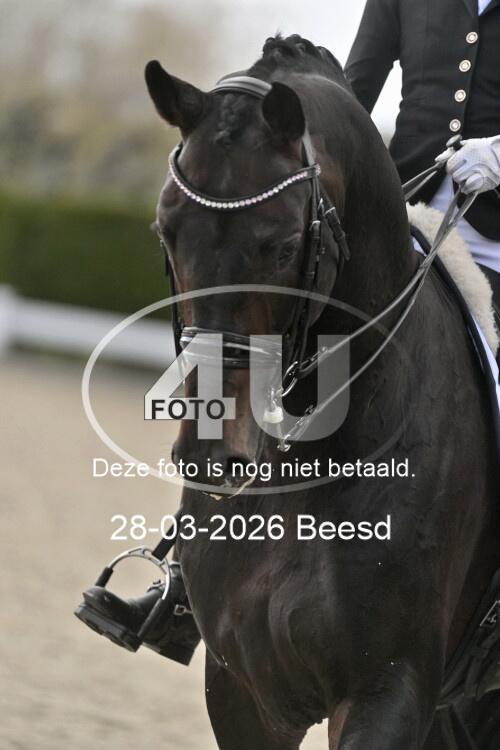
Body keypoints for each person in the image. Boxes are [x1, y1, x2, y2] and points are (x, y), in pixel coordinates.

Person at [345, 0, 500, 322]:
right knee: (326, 312)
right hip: (403, 211)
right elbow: (353, 95)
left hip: (493, 233)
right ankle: (265, 352)